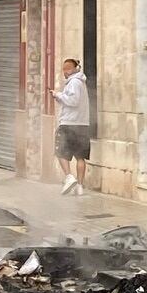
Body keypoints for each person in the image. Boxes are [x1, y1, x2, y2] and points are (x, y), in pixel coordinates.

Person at [52, 58, 91, 196]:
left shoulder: (74, 82)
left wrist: (58, 95)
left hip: (69, 123)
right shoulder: (81, 82)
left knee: (60, 152)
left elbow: (73, 101)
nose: (64, 72)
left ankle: (69, 177)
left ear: (70, 70)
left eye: (65, 69)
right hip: (83, 124)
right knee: (80, 157)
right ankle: (80, 187)